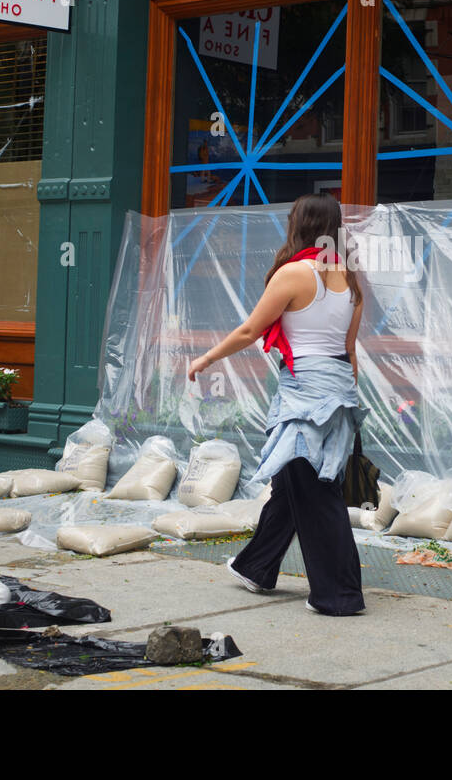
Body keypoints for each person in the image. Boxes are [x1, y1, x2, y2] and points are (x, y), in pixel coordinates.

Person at [188, 192, 367, 616]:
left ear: (299, 224)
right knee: (294, 482)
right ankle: (257, 566)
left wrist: (206, 358)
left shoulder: (294, 273)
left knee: (316, 489)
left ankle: (340, 595)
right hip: (337, 390)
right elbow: (350, 349)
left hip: (305, 393)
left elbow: (251, 330)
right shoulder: (352, 279)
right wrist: (344, 401)